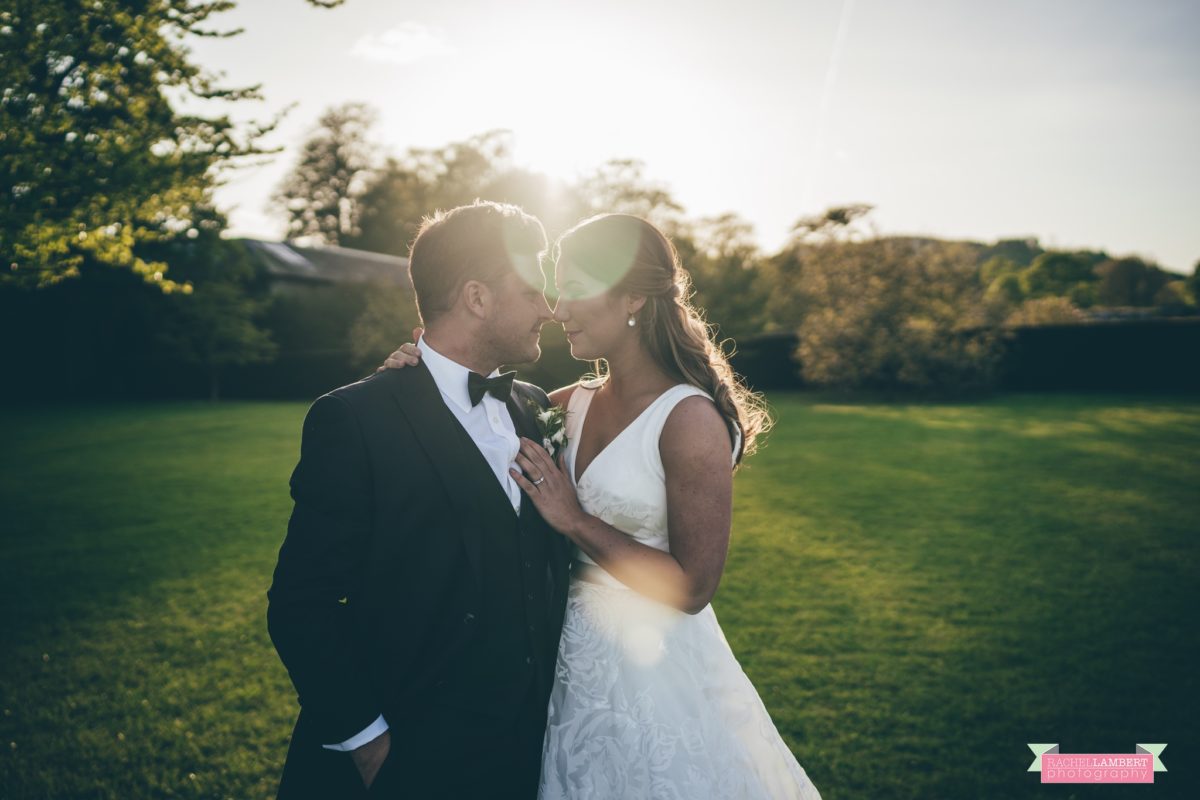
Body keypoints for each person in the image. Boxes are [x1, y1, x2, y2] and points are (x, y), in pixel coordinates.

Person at [383, 213, 822, 798]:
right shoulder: (562, 405)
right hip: (558, 664)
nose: (557, 310)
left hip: (651, 674)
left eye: (576, 289)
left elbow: (693, 588)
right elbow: (473, 404)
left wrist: (574, 521)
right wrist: (418, 369)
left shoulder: (688, 420)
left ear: (634, 297)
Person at [267, 201, 573, 799]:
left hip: (520, 757)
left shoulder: (535, 405)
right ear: (477, 297)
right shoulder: (354, 418)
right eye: (533, 291)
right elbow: (301, 604)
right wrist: (372, 749)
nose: (549, 309)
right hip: (404, 758)